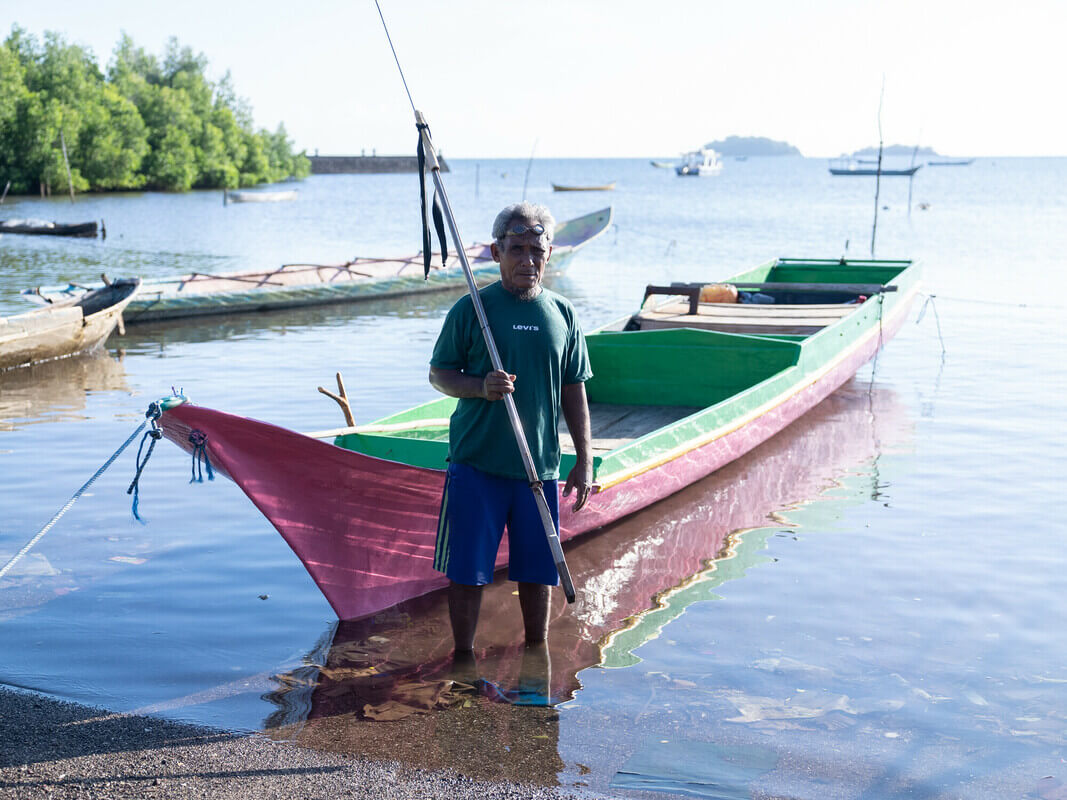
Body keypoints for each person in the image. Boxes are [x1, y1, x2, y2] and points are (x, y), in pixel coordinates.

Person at [428, 201, 593, 653]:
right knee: (467, 572)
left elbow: (574, 388)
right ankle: (462, 661)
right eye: (516, 249)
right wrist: (480, 386)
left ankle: (535, 660)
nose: (527, 260)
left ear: (549, 253)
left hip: (538, 468)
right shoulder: (472, 309)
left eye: (536, 251)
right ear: (497, 252)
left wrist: (585, 458)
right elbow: (439, 373)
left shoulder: (563, 313)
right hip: (477, 464)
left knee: (539, 572)